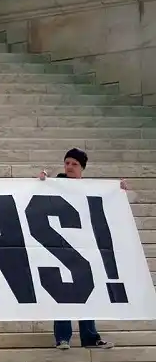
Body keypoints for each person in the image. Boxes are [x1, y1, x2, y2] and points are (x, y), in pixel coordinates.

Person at [38, 148, 134, 351]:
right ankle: (62, 337)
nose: (69, 167)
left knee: (89, 293)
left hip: (85, 248)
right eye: (67, 163)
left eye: (74, 164)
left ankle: (89, 337)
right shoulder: (55, 185)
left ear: (82, 168)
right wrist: (40, 182)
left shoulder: (90, 188)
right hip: (61, 247)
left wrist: (118, 192)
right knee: (63, 293)